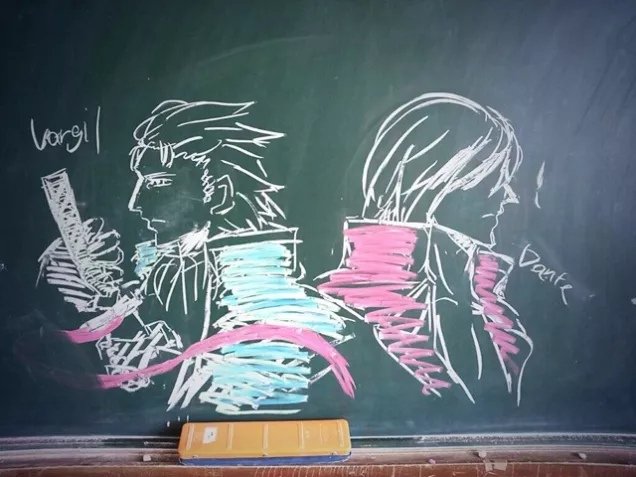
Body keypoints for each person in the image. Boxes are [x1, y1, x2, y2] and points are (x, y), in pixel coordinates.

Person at [38, 100, 354, 415]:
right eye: (140, 183)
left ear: (220, 192)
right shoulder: (169, 268)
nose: (135, 203)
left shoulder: (264, 299)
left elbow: (253, 395)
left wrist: (163, 369)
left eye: (157, 183)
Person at [319, 92, 532, 405]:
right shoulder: (348, 331)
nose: (509, 197)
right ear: (438, 184)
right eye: (496, 180)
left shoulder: (480, 305)